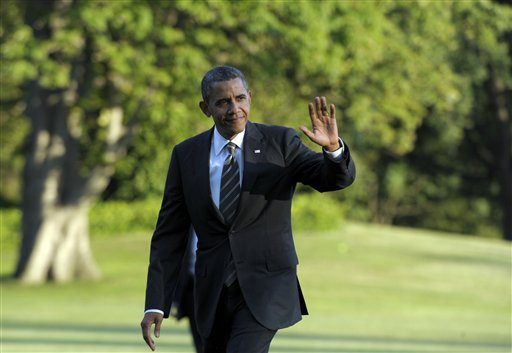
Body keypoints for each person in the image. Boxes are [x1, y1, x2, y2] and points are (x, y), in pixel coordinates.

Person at [140, 65, 356, 353]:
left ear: (250, 98)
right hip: (211, 293)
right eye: (223, 102)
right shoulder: (185, 155)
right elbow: (169, 234)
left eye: (240, 98)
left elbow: (330, 179)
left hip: (266, 287)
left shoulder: (280, 142)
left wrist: (333, 151)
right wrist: (156, 302)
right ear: (205, 108)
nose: (234, 108)